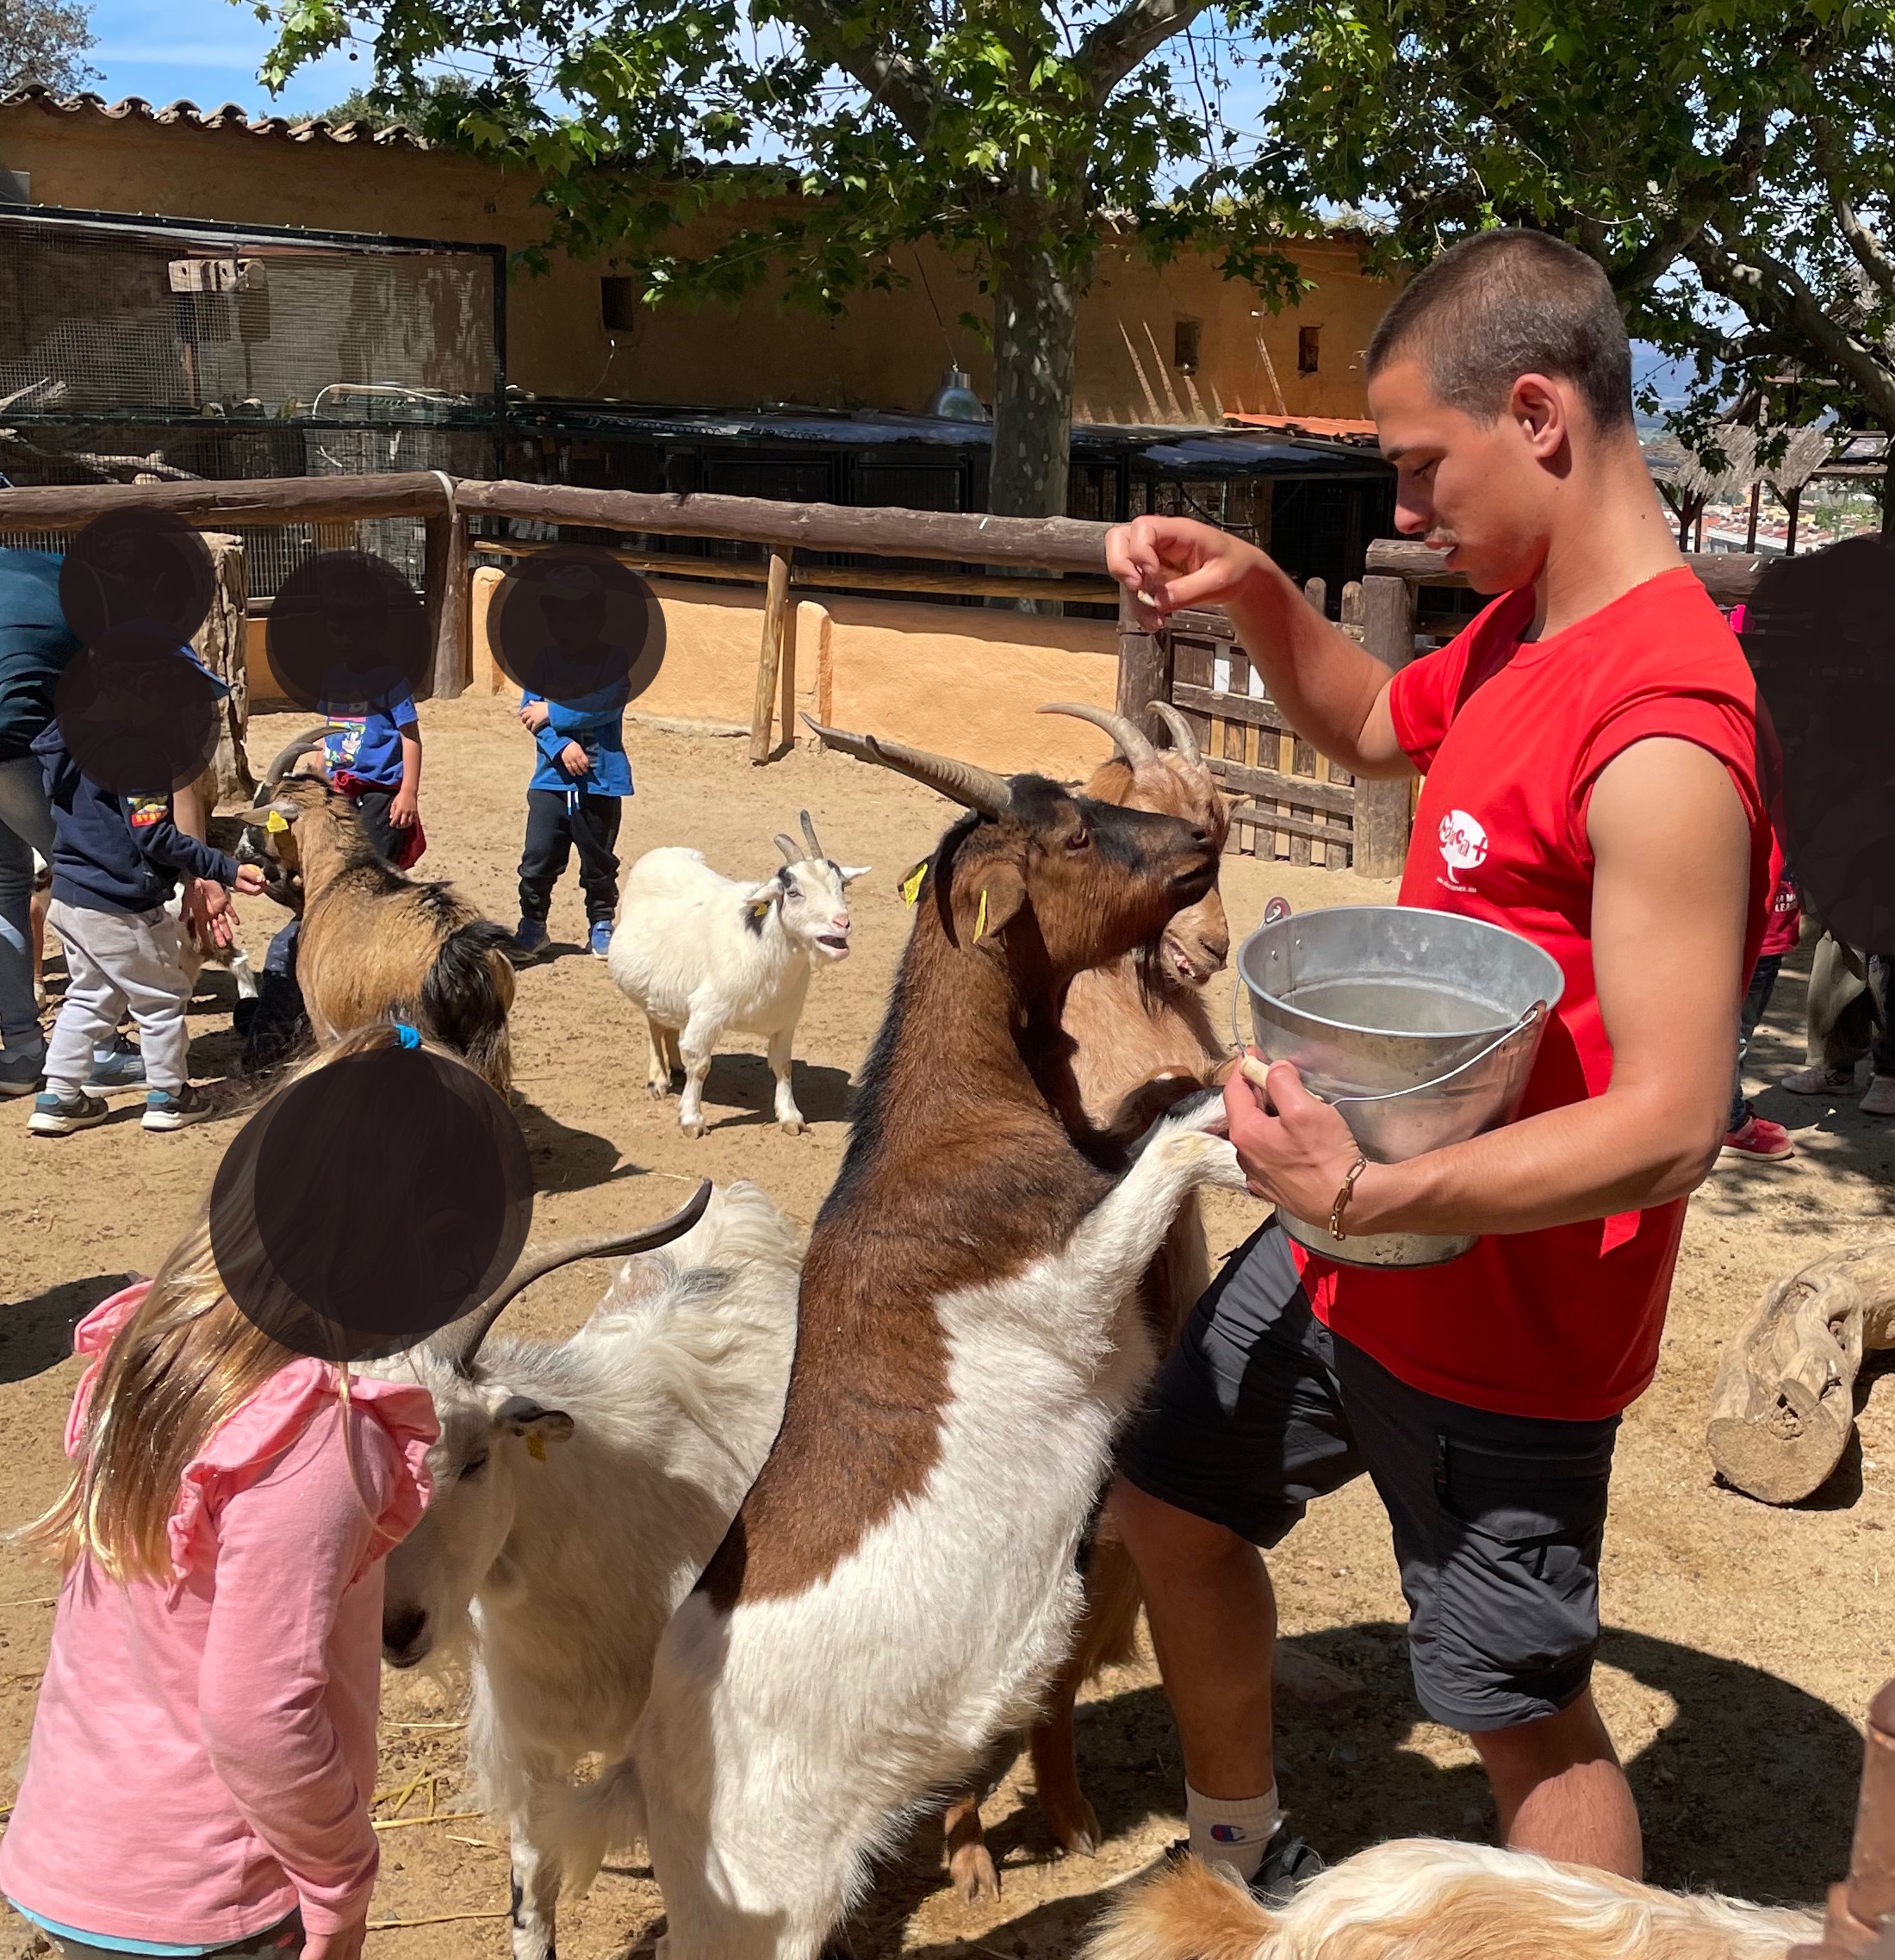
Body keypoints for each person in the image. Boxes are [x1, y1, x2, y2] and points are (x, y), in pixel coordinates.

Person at [1105, 230, 1769, 1895]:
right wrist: (1257, 591)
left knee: (1517, 1710)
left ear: (1537, 414)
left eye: (1418, 467)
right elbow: (1370, 724)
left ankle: (1602, 1942)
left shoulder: (1669, 725)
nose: (1406, 511)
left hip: (1507, 1319)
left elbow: (1677, 1120)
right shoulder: (1529, 631)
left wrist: (1377, 1184)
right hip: (1358, 1242)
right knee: (1172, 1500)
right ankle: (1247, 1858)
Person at [0, 1024, 438, 1958]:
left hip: (84, 1855)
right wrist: (338, 1874)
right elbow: (256, 1719)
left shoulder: (155, 1346)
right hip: (215, 1893)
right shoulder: (318, 1440)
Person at [28, 644, 266, 1134]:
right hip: (119, 904)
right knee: (162, 997)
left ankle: (59, 1097)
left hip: (72, 897)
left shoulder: (74, 739)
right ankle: (170, 1095)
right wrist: (220, 866)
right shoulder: (137, 753)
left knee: (90, 996)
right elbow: (152, 834)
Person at [511, 563, 632, 961]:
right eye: (558, 615)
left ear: (597, 618)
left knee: (598, 861)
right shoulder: (543, 662)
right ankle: (532, 925)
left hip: (600, 781)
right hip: (550, 781)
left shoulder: (614, 661)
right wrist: (561, 746)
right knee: (538, 857)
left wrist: (555, 713)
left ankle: (601, 924)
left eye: (576, 615)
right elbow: (531, 714)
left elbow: (604, 705)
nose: (566, 624)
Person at [1721, 827, 1800, 1160]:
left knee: (1739, 1033)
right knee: (1732, 1037)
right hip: (1750, 943)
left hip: (1769, 941)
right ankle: (1727, 1122)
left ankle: (1728, 1111)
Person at [317, 675, 422, 869]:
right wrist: (317, 780)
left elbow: (410, 738)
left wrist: (408, 792)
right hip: (337, 791)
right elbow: (327, 736)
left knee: (374, 870)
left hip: (379, 793)